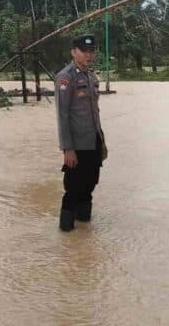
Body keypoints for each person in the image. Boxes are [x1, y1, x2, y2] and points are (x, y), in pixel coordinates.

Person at [54, 34, 107, 232]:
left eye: (91, 51)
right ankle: (66, 230)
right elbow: (63, 115)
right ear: (73, 52)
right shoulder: (66, 78)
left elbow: (94, 112)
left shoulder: (90, 76)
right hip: (76, 145)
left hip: (93, 140)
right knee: (73, 188)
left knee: (91, 183)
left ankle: (84, 229)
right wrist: (67, 149)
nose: (88, 55)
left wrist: (101, 140)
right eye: (84, 51)